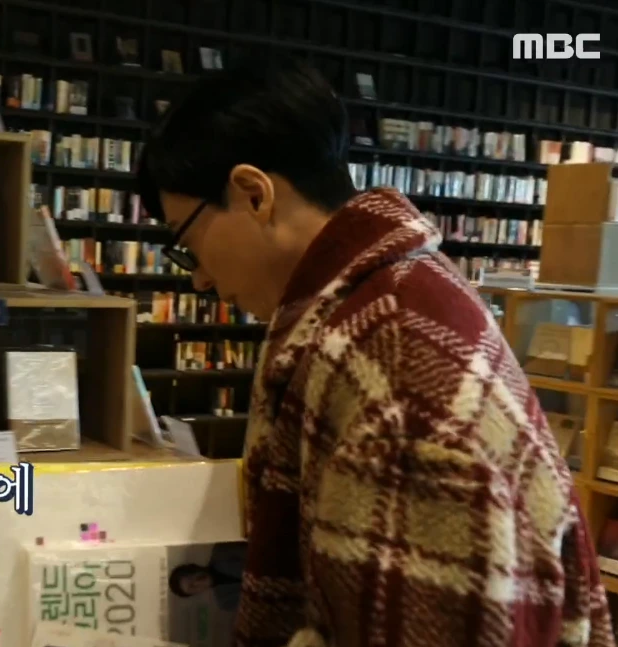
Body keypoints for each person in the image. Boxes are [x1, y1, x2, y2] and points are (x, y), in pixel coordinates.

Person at [137, 54, 613, 647]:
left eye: (186, 243)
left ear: (254, 194)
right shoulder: (389, 296)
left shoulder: (390, 365)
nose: (199, 279)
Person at [167, 542, 246, 612]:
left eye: (191, 575)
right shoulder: (224, 601)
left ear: (193, 567)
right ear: (195, 593)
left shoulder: (221, 551)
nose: (197, 581)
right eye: (192, 586)